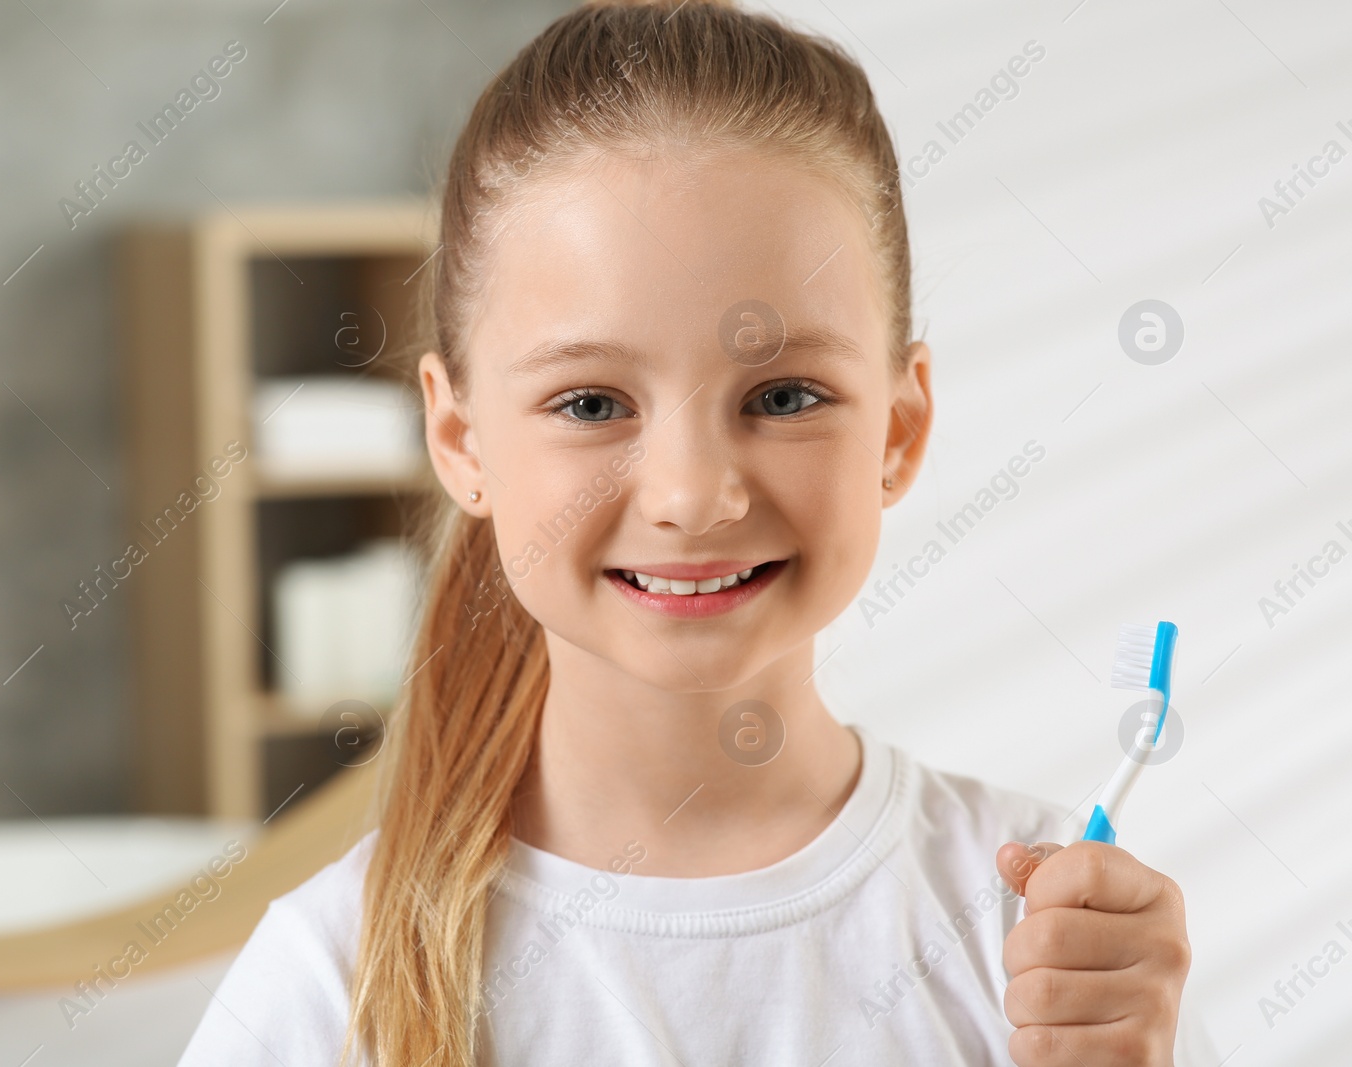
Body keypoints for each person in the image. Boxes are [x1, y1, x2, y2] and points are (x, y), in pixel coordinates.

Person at [180, 1, 1210, 1063]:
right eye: (590, 404)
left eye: (783, 395)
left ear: (898, 430)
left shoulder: (1043, 941)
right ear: (460, 438)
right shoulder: (328, 982)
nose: (690, 494)